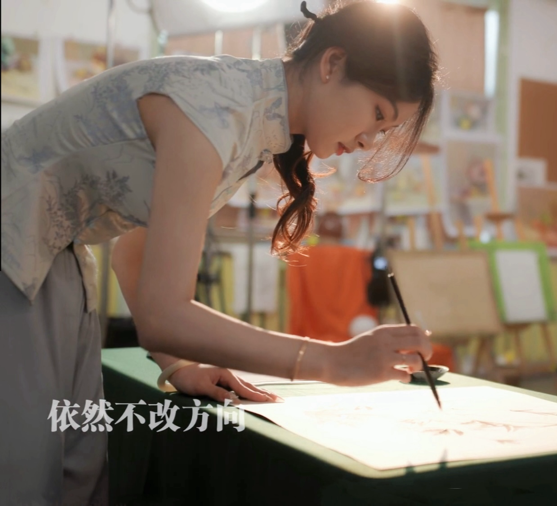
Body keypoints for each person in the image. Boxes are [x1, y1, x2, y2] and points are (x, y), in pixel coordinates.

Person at [0, 2, 437, 504]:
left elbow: (134, 258)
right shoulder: (216, 108)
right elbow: (164, 315)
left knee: (77, 471)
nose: (367, 141)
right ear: (332, 64)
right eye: (377, 114)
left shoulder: (247, 122)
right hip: (14, 245)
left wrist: (178, 365)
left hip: (56, 257)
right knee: (27, 478)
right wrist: (333, 362)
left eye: (384, 131)